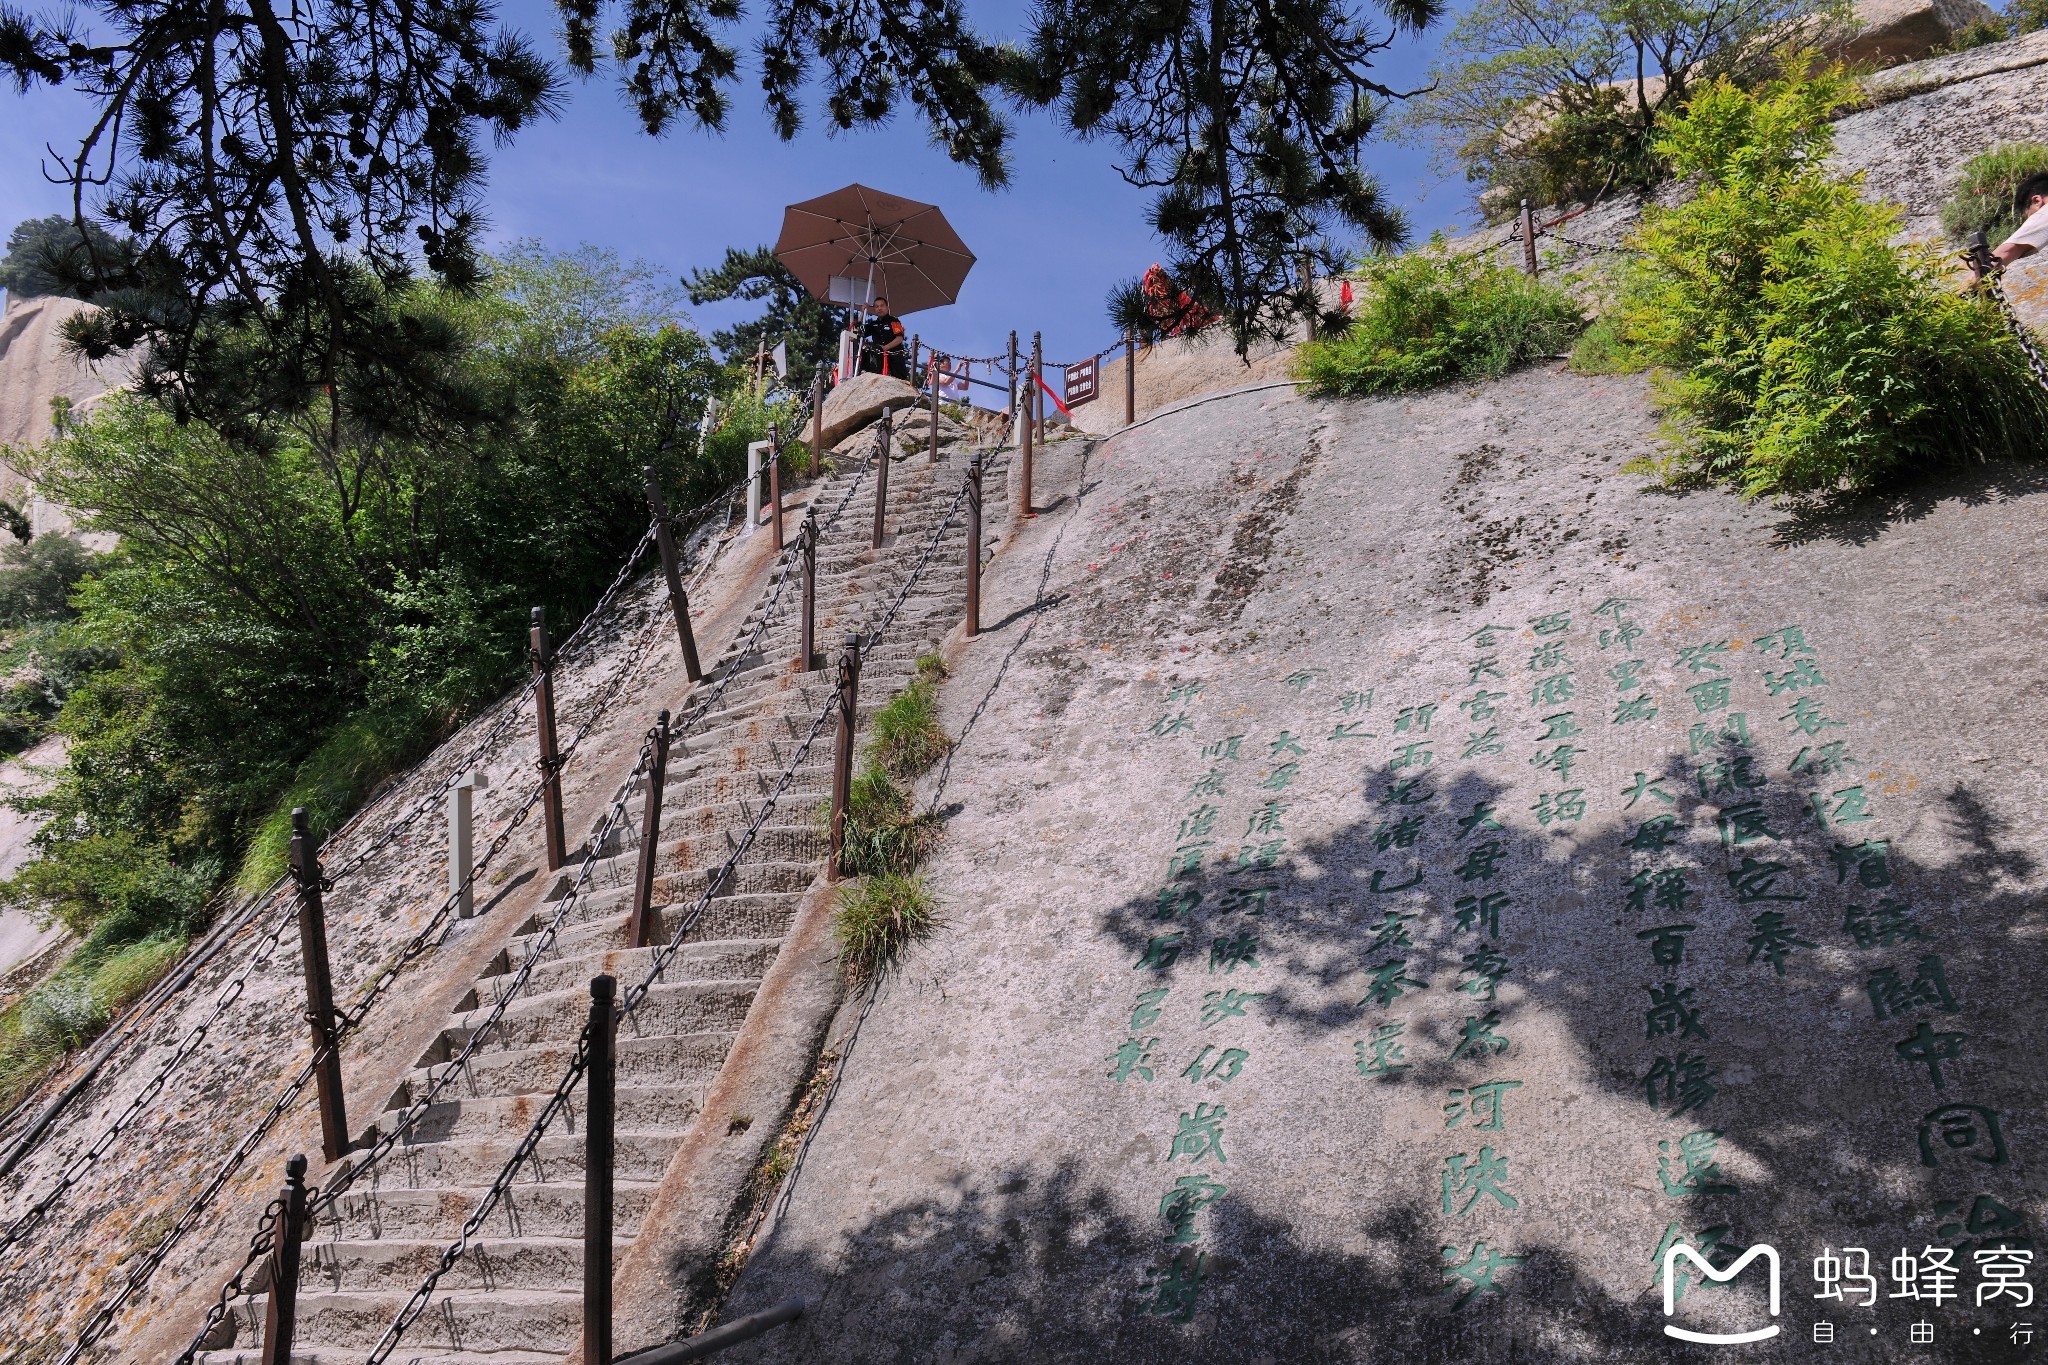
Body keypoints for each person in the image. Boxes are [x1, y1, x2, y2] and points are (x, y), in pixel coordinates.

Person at [1972, 171, 2048, 282]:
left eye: (2030, 216)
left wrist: (1958, 293)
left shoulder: (2044, 212)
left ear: (2037, 201)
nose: (2031, 220)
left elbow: (2003, 254)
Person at [860, 296, 906, 376]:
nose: (879, 308)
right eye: (877, 306)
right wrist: (862, 313)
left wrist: (885, 347)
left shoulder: (894, 321)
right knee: (867, 350)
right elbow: (859, 331)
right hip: (878, 358)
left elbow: (899, 338)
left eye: (882, 305)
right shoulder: (873, 324)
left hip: (894, 358)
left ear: (887, 307)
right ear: (874, 309)